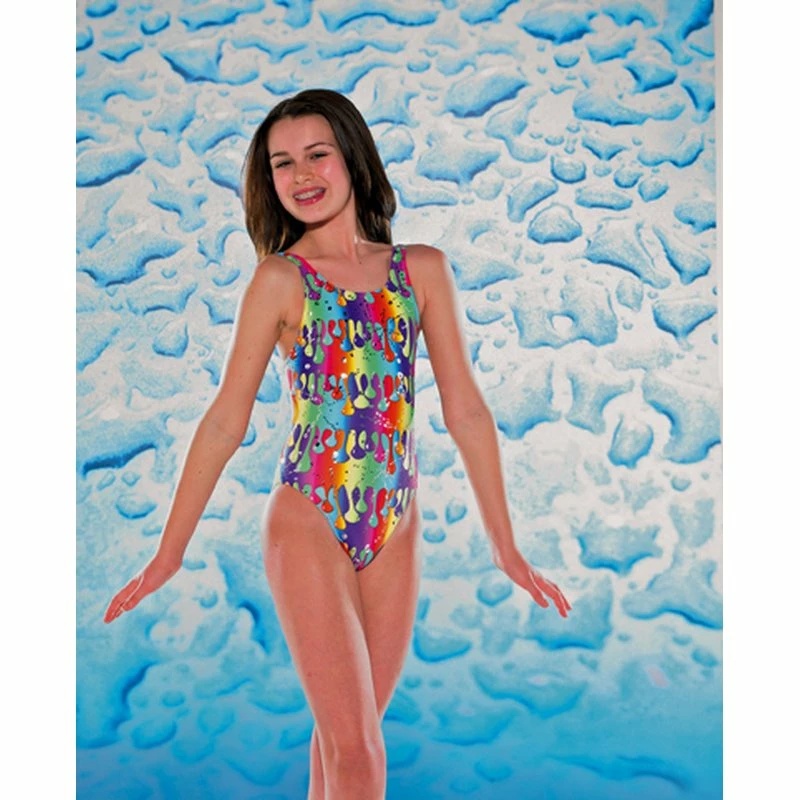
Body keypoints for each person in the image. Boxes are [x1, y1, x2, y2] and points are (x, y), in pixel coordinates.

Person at [104, 88, 572, 800]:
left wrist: (505, 548)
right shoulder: (280, 280)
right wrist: (169, 554)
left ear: (352, 157)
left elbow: (468, 412)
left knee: (344, 745)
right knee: (358, 754)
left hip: (395, 523)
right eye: (281, 163)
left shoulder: (421, 271)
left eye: (317, 154)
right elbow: (227, 420)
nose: (301, 174)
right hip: (309, 516)